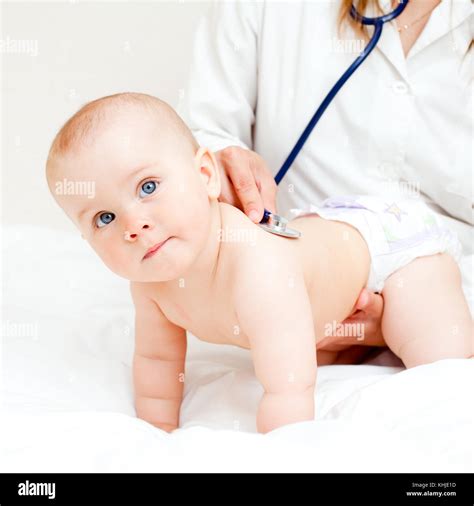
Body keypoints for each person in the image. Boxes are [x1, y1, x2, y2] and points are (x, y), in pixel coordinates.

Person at [45, 93, 472, 433]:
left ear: (206, 175)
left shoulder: (255, 264)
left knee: (441, 361)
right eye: (104, 218)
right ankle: (362, 342)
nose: (132, 226)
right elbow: (157, 362)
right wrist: (156, 433)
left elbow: (290, 390)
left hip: (387, 248)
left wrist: (281, 449)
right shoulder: (150, 279)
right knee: (302, 344)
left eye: (148, 186)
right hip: (319, 248)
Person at [177, 0, 473, 353]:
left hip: (454, 299)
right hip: (299, 289)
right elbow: (199, 137)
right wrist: (222, 170)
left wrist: (423, 314)